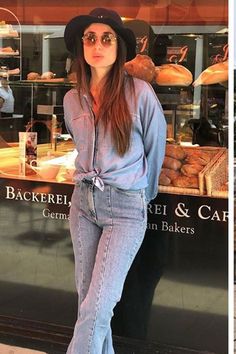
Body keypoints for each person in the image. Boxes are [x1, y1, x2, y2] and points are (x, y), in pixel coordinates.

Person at [63, 7, 166, 354]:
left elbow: (155, 150)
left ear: (118, 47)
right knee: (88, 304)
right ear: (81, 47)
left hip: (125, 207)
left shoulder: (140, 94)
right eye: (90, 38)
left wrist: (139, 197)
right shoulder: (71, 98)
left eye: (106, 38)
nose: (97, 45)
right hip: (83, 204)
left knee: (97, 306)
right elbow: (81, 147)